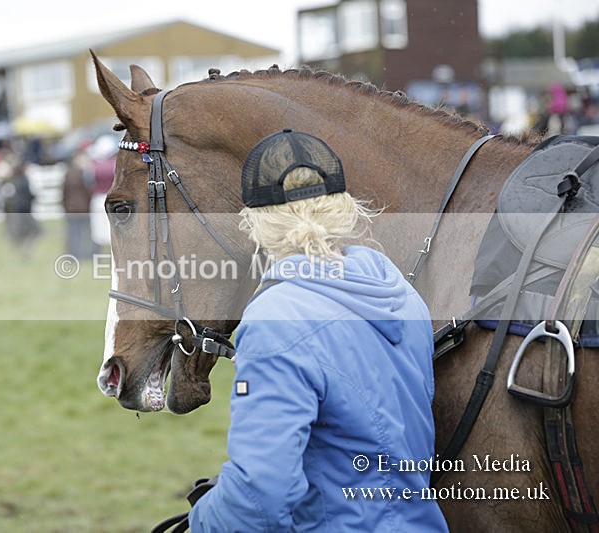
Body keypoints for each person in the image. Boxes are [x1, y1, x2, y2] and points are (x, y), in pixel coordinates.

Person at [188, 130, 448, 531]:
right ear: (342, 207)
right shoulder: (401, 294)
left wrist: (202, 520)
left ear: (255, 222)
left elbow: (259, 496)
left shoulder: (275, 319)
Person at [61, 142, 95, 260]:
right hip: (83, 208)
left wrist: (65, 206)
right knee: (86, 233)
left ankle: (74, 255)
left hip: (71, 208)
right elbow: (88, 192)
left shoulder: (68, 174)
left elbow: (64, 193)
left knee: (74, 234)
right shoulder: (83, 175)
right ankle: (86, 254)